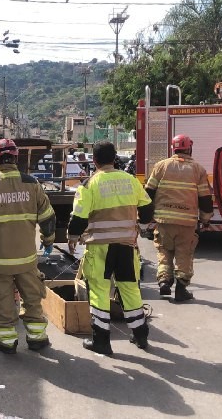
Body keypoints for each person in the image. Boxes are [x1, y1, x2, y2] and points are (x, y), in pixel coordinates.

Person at [0, 138, 57, 354]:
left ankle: (6, 342)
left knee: (4, 301)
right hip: (26, 259)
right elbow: (48, 218)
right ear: (16, 158)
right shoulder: (32, 184)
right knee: (32, 298)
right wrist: (48, 240)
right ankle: (37, 339)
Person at [68, 141, 154, 355]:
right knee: (129, 289)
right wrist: (142, 227)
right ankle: (140, 336)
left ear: (94, 161)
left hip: (100, 247)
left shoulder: (89, 184)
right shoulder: (131, 181)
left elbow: (78, 217)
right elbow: (147, 206)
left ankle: (101, 341)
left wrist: (72, 238)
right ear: (114, 158)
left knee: (98, 291)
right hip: (127, 246)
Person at [145, 134, 213, 302]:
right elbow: (205, 198)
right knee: (184, 254)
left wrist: (145, 217)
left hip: (163, 222)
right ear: (189, 148)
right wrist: (205, 219)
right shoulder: (198, 169)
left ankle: (164, 283)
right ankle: (181, 289)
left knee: (164, 251)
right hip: (187, 223)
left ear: (173, 149)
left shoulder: (161, 166)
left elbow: (148, 194)